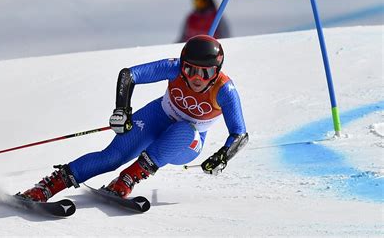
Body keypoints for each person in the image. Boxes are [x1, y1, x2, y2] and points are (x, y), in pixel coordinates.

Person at [19, 35, 248, 202]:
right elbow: (129, 75)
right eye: (190, 70)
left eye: (206, 72)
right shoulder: (174, 68)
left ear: (217, 71)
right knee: (112, 156)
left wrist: (222, 156)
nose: (197, 78)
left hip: (186, 143)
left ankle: (127, 179)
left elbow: (239, 133)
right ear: (183, 65)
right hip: (158, 116)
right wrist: (122, 110)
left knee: (186, 130)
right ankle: (48, 186)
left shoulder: (224, 91)